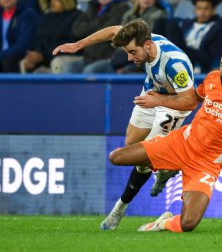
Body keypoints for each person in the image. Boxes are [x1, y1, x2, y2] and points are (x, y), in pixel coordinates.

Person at [107, 45, 222, 232]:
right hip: (181, 143)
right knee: (117, 157)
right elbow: (192, 99)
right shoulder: (212, 78)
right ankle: (164, 166)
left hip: (206, 164)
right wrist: (160, 98)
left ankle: (163, 222)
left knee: (188, 223)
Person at [52, 19, 198, 230]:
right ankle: (164, 170)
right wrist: (78, 45)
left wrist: (157, 100)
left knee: (145, 152)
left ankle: (118, 210)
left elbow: (191, 101)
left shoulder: (175, 64)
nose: (129, 58)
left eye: (132, 52)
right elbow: (112, 30)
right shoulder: (140, 39)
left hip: (174, 104)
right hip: (152, 93)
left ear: (147, 45)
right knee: (131, 144)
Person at [154, 0, 222, 74]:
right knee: (160, 22)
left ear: (213, 11)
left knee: (171, 24)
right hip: (182, 52)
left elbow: (209, 56)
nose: (202, 12)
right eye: (199, 8)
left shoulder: (218, 29)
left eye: (206, 9)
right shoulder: (187, 24)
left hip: (198, 60)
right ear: (195, 10)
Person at [19, 0, 81, 73]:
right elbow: (39, 40)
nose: (52, 2)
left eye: (56, 0)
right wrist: (35, 55)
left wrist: (43, 56)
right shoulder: (47, 17)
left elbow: (70, 45)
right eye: (50, 0)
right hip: (46, 57)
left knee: (57, 63)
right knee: (24, 62)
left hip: (69, 56)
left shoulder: (77, 17)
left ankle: (59, 84)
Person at [0, 0, 40, 72]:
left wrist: (2, 55)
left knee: (8, 60)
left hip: (17, 57)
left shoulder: (28, 14)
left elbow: (24, 44)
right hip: (3, 57)